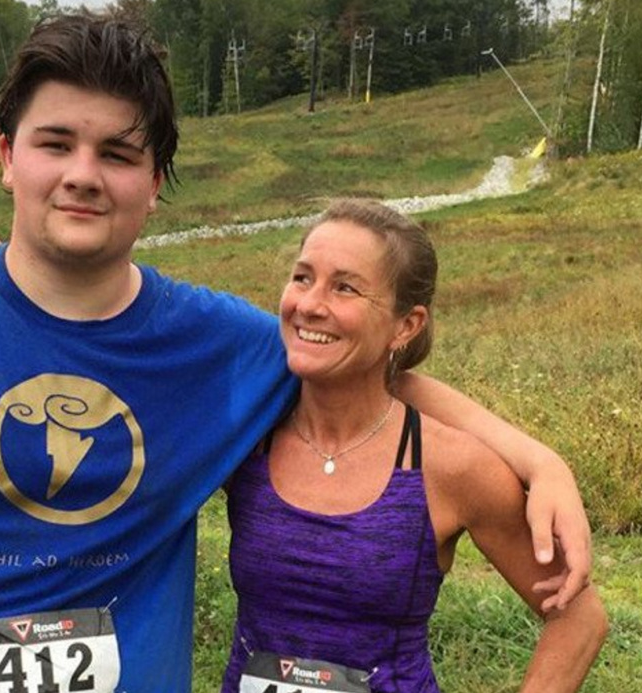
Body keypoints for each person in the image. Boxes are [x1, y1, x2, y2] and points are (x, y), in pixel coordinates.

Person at [0, 13, 588, 693]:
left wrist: (538, 460)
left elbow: (364, 370)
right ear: (8, 157)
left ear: (155, 181)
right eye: (56, 143)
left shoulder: (217, 345)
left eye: (118, 153)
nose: (84, 174)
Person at [220, 199, 607, 693]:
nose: (310, 304)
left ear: (407, 325)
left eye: (344, 287)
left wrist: (544, 464)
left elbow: (579, 619)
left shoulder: (449, 465)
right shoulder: (245, 436)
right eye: (302, 277)